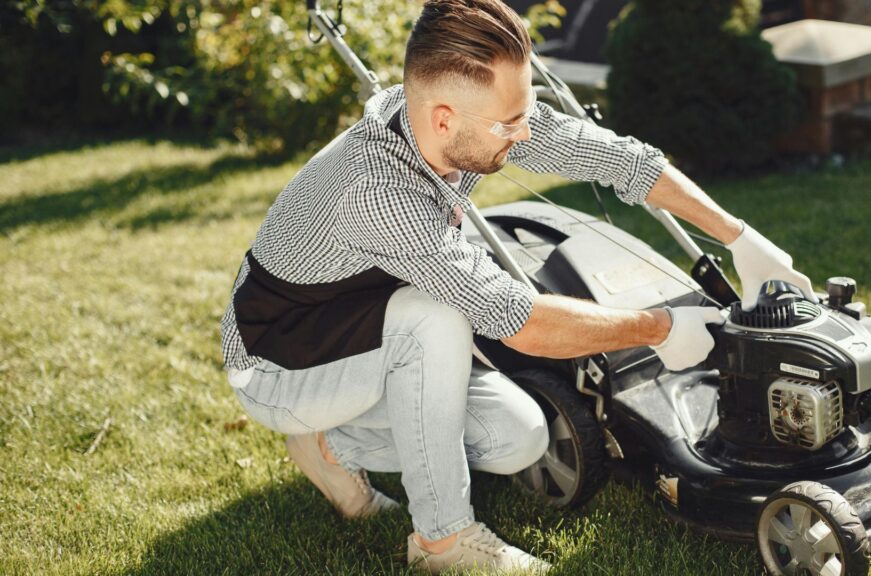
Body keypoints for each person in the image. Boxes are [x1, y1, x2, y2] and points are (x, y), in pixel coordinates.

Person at [218, 0, 816, 573]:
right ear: (444, 118)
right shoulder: (375, 190)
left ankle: (332, 447)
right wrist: (660, 329)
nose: (525, 134)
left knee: (519, 438)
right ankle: (443, 541)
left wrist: (740, 238)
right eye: (510, 122)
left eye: (525, 111)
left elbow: (615, 158)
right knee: (438, 319)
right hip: (282, 361)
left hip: (367, 329)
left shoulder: (459, 121)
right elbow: (520, 322)